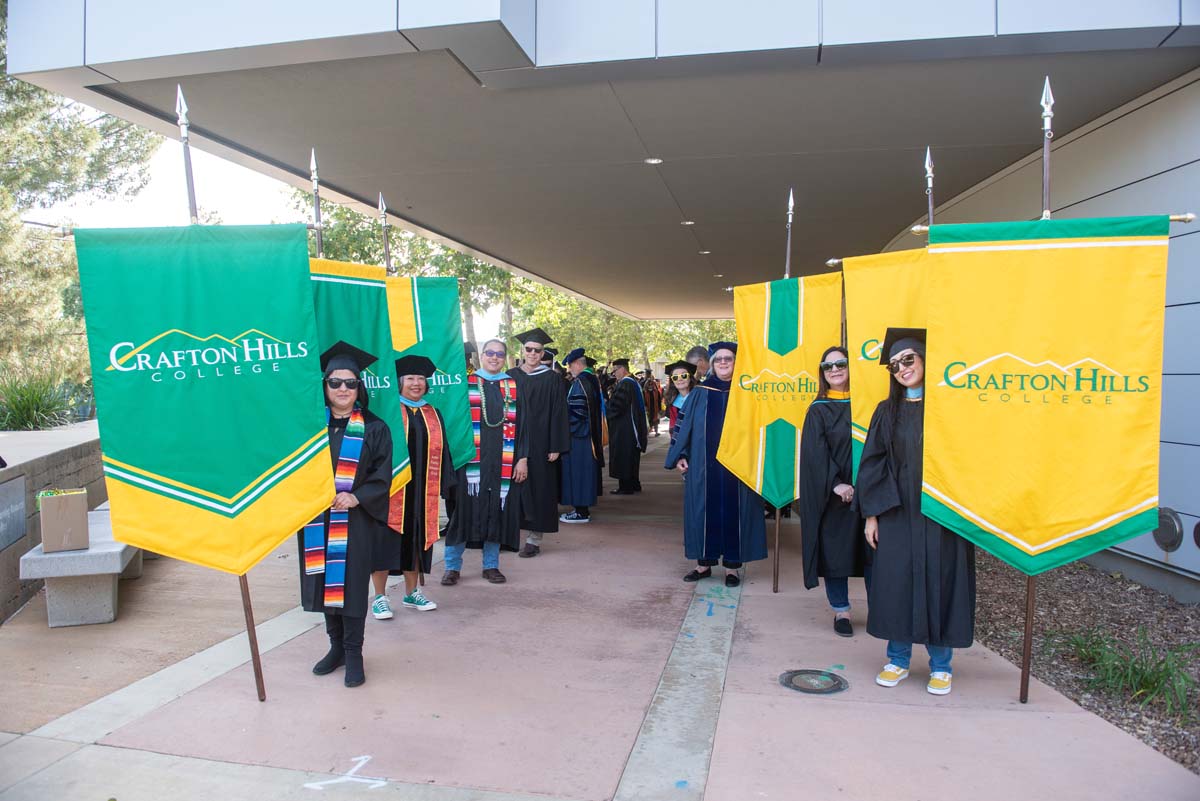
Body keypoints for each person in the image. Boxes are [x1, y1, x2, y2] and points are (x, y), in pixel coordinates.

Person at [856, 328, 976, 696]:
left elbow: (970, 459)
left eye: (908, 359)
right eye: (894, 365)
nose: (902, 369)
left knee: (943, 583)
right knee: (897, 584)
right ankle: (898, 659)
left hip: (941, 513)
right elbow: (872, 463)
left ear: (924, 359)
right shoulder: (885, 411)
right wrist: (872, 515)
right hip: (897, 512)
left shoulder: (950, 408)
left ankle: (941, 665)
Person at [299, 341, 393, 688]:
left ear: (359, 387)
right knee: (324, 582)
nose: (342, 389)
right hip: (316, 518)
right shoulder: (308, 426)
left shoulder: (375, 427)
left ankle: (354, 654)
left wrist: (357, 498)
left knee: (350, 586)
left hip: (355, 519)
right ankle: (335, 648)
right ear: (324, 386)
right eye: (334, 382)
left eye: (350, 383)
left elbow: (383, 473)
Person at [665, 342, 766, 586]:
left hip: (738, 466)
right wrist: (681, 454)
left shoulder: (747, 392)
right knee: (702, 512)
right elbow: (684, 427)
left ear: (736, 362)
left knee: (736, 512)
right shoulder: (700, 392)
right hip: (703, 465)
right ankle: (703, 565)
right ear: (711, 364)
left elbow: (761, 428)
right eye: (718, 359)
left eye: (728, 359)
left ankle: (732, 568)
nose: (723, 362)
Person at [368, 355, 456, 619]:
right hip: (393, 490)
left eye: (420, 379)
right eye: (410, 379)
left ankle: (411, 592)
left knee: (416, 540)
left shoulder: (432, 412)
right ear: (400, 382)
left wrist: (446, 483)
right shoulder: (389, 412)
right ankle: (380, 597)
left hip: (421, 490)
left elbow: (444, 451)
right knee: (386, 542)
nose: (416, 384)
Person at [798, 346, 871, 637]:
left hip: (869, 493)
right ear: (822, 373)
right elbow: (815, 453)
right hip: (835, 497)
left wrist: (866, 483)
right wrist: (837, 483)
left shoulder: (867, 405)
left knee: (873, 553)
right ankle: (841, 610)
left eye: (841, 364)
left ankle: (880, 610)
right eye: (828, 367)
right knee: (835, 555)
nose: (835, 370)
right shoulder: (818, 409)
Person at [443, 338, 529, 585]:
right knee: (462, 514)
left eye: (499, 354)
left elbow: (524, 426)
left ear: (505, 358)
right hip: (471, 463)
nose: (494, 357)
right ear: (482, 355)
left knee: (496, 512)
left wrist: (522, 459)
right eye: (490, 353)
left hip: (501, 461)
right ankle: (452, 567)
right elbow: (455, 424)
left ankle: (491, 566)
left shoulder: (512, 386)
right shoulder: (466, 384)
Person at [508, 327, 570, 558]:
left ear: (543, 353)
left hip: (542, 442)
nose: (533, 353)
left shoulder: (552, 379)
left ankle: (534, 539)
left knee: (540, 489)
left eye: (538, 350)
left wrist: (556, 445)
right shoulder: (511, 376)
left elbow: (559, 412)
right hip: (512, 440)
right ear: (522, 350)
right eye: (529, 349)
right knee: (513, 488)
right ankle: (509, 534)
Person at [559, 347, 605, 523]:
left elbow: (578, 412)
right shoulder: (591, 379)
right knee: (585, 471)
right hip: (589, 433)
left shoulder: (581, 382)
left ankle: (581, 511)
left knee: (579, 472)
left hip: (580, 435)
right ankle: (582, 509)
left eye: (570, 366)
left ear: (577, 364)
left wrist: (565, 427)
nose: (569, 370)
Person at [606, 358, 648, 494]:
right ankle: (634, 484)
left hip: (625, 428)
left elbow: (617, 407)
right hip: (631, 427)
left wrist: (606, 406)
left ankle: (626, 487)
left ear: (622, 369)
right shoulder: (632, 382)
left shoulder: (626, 384)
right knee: (631, 457)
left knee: (624, 455)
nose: (614, 374)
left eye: (615, 370)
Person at [663, 359, 696, 433]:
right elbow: (673, 429)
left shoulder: (699, 398)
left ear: (690, 378)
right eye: (675, 377)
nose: (679, 379)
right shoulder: (673, 403)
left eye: (684, 376)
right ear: (672, 381)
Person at [642, 369, 664, 437]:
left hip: (654, 404)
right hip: (647, 404)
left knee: (655, 418)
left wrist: (660, 406)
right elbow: (642, 393)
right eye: (647, 374)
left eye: (648, 374)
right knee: (647, 418)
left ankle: (656, 432)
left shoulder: (654, 382)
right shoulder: (643, 382)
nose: (648, 375)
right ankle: (646, 433)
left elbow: (657, 393)